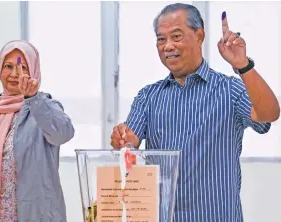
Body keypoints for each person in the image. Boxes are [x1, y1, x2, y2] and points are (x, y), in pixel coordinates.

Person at [110, 3, 280, 222]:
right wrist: (125, 140)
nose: (168, 46)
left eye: (176, 36)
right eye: (161, 39)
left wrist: (243, 65)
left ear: (199, 35)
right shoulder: (148, 97)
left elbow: (269, 114)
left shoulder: (229, 90)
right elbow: (128, 144)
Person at [0, 40, 75, 222]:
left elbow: (63, 133)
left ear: (33, 71)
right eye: (8, 66)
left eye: (23, 67)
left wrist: (33, 98)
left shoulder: (44, 107)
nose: (14, 74)